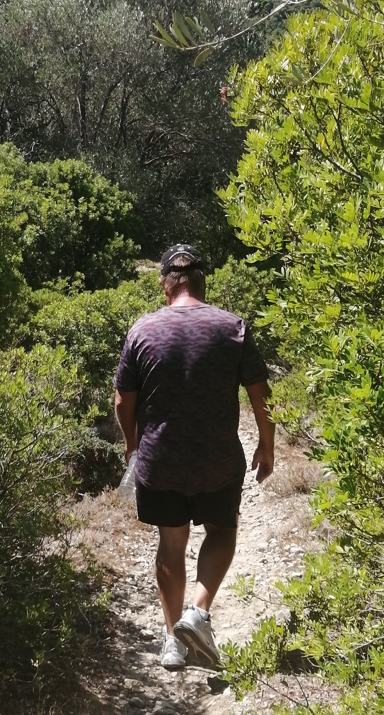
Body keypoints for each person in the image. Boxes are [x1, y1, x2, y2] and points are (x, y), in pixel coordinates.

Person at [113, 243, 275, 671]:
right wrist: (267, 443)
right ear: (203, 281)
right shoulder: (232, 326)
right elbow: (261, 395)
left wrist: (133, 447)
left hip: (160, 461)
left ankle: (173, 641)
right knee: (222, 531)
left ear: (165, 284)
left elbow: (121, 403)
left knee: (170, 544)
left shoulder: (142, 331)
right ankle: (197, 613)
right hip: (217, 460)